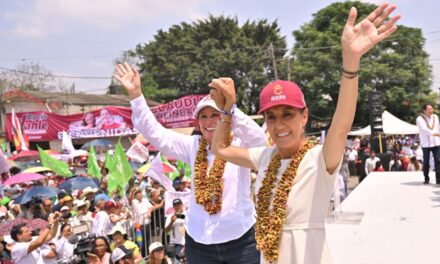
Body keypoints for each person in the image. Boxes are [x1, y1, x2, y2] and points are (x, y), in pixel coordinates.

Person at [211, 3, 399, 263]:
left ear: (305, 117)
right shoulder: (264, 157)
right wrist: (227, 110)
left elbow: (341, 125)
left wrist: (351, 63)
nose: (279, 125)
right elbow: (219, 149)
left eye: (288, 114)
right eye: (271, 116)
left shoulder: (320, 158)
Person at [113, 61, 266, 263]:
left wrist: (230, 106)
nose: (209, 121)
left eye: (215, 115)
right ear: (198, 122)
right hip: (200, 243)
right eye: (203, 116)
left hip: (241, 241)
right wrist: (136, 95)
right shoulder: (193, 146)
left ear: (226, 118)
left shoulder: (239, 144)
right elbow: (155, 133)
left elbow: (260, 140)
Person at [416, 104, 440, 184]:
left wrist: (438, 134)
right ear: (424, 110)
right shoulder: (419, 119)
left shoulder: (435, 117)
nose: (431, 111)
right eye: (429, 109)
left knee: (438, 160)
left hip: (436, 142)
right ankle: (426, 178)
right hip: (426, 143)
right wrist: (435, 134)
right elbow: (424, 129)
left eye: (432, 109)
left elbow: (438, 127)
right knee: (426, 161)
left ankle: (438, 179)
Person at [164, 198, 186, 263]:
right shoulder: (170, 216)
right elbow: (166, 231)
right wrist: (171, 222)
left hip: (187, 244)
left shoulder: (188, 215)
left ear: (182, 205)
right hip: (174, 244)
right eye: (175, 205)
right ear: (173, 207)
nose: (177, 207)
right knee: (174, 262)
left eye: (179, 204)